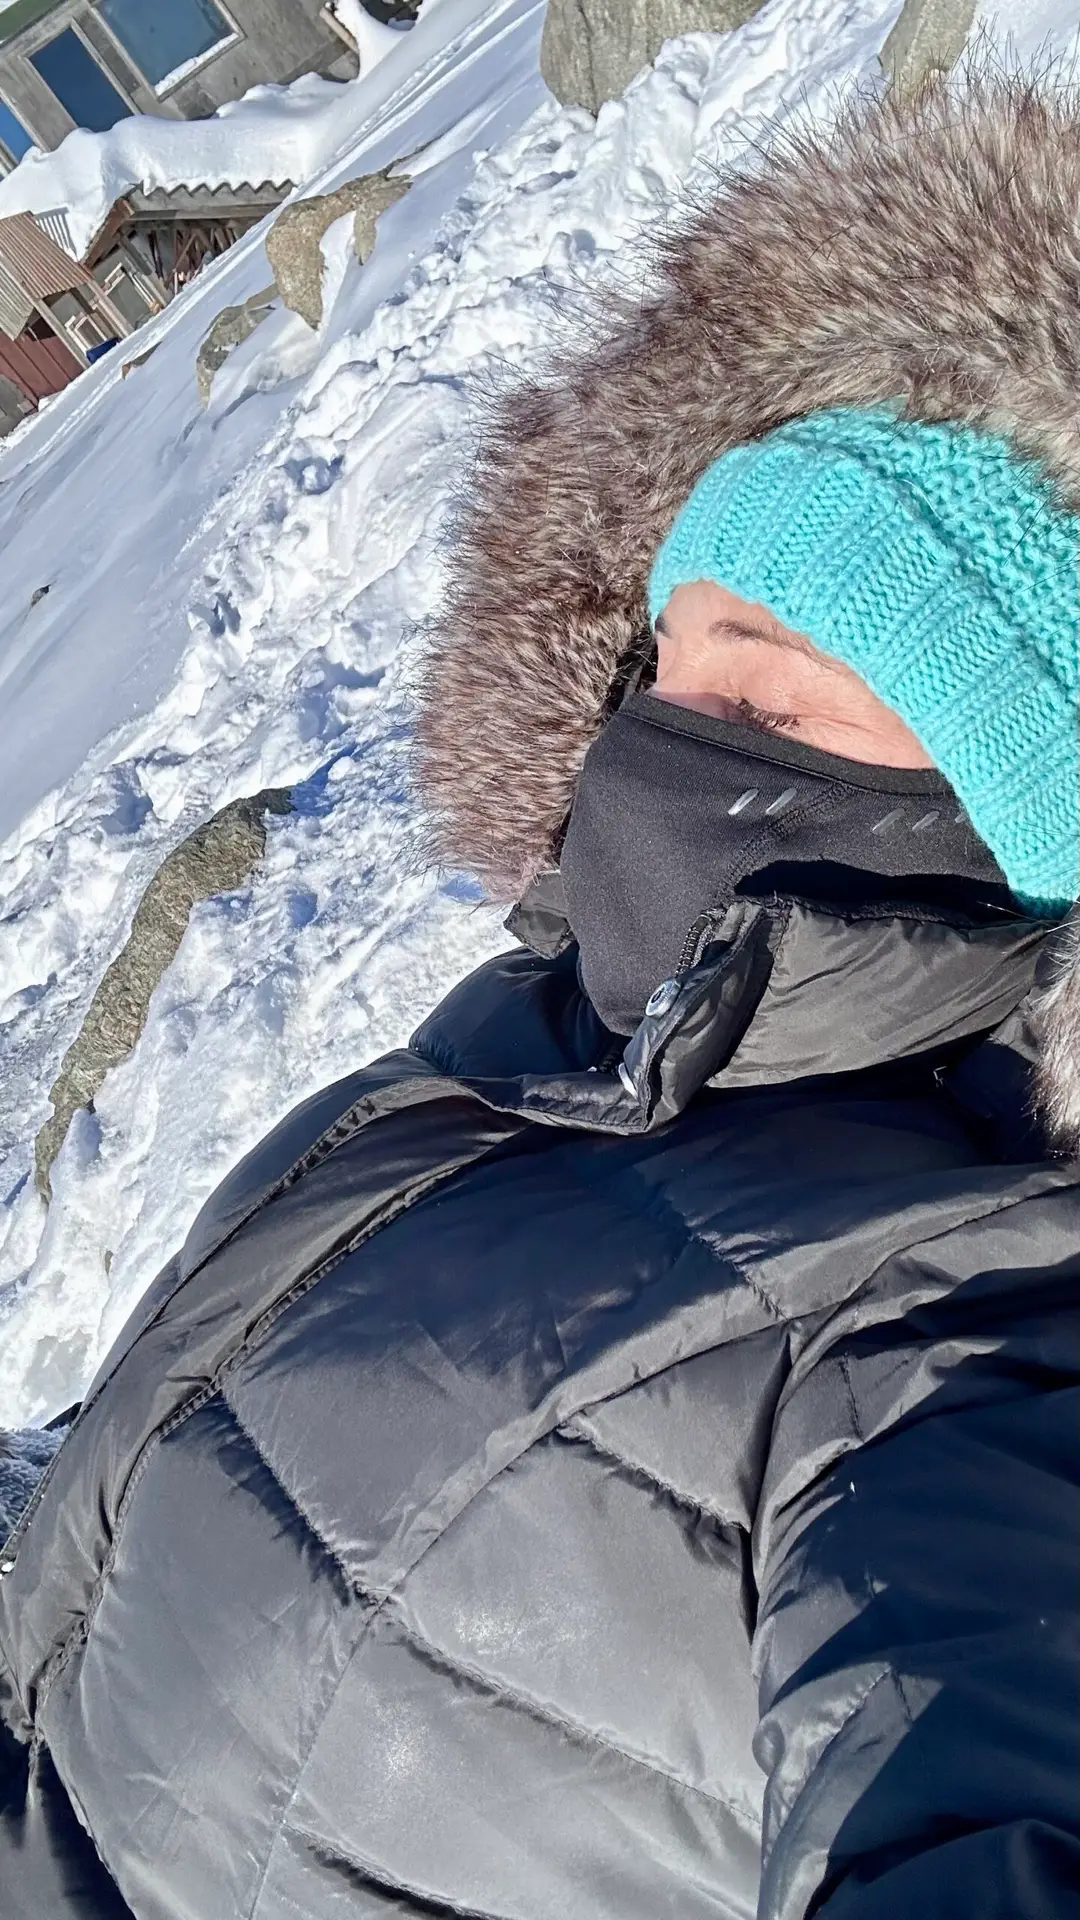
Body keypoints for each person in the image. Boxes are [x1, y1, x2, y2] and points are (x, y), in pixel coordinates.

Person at [1, 66, 1078, 1920]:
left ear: (1022, 781)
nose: (666, 739)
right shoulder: (552, 1042)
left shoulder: (962, 1316)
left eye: (771, 685)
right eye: (672, 662)